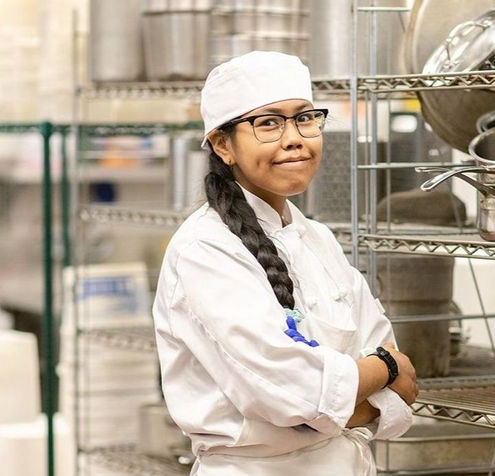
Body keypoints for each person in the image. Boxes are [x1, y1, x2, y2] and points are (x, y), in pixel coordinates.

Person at [152, 51, 418, 476]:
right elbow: (293, 394)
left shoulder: (319, 240)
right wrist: (381, 370)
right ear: (223, 144)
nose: (294, 138)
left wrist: (342, 399)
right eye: (268, 122)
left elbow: (398, 383)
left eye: (305, 118)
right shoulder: (205, 249)